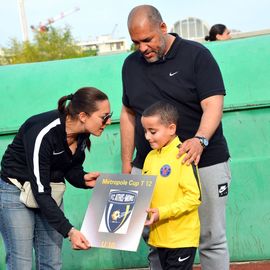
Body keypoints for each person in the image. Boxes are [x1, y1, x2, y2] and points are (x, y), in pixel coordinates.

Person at [120, 5, 231, 270]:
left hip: (202, 159)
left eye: (147, 40)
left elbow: (213, 104)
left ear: (163, 28)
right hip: (149, 164)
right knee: (154, 236)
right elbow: (127, 113)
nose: (142, 48)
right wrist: (128, 164)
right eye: (136, 42)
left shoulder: (197, 56)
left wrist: (200, 139)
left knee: (210, 237)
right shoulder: (130, 64)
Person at [0, 86, 113, 270]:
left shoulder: (83, 133)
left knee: (51, 262)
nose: (108, 122)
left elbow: (69, 167)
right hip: (16, 192)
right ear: (83, 116)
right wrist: (70, 231)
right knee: (21, 263)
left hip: (47, 191)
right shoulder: (43, 132)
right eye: (104, 116)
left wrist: (83, 179)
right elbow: (40, 190)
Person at [142, 101, 201, 270]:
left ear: (171, 128)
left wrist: (162, 212)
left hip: (181, 239)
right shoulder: (150, 157)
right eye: (145, 131)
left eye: (152, 131)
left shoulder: (183, 155)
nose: (147, 136)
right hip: (159, 239)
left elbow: (194, 198)